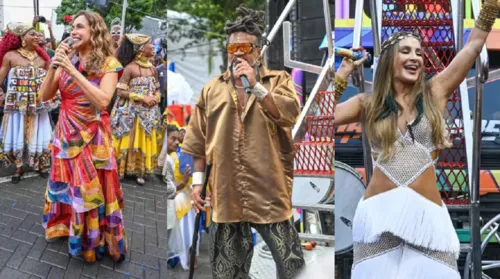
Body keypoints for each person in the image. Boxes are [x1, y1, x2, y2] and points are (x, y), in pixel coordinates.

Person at [334, 1, 499, 278]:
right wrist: (340, 75)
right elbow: (318, 122)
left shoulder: (435, 93)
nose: (415, 58)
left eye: (419, 53)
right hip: (378, 219)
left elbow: (472, 48)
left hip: (428, 220)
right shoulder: (368, 103)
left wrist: (491, 7)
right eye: (406, 51)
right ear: (389, 60)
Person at [182, 5, 305, 278]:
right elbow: (198, 144)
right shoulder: (211, 89)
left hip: (270, 191)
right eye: (232, 49)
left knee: (293, 268)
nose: (237, 54)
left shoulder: (278, 81)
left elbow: (289, 115)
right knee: (228, 272)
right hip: (226, 193)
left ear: (258, 51)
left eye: (245, 48)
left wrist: (256, 86)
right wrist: (198, 185)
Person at [40, 10, 127, 263]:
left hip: (92, 137)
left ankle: (91, 239)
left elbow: (102, 101)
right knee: (67, 185)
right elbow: (45, 97)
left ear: (94, 31)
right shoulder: (68, 59)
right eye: (73, 27)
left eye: (80, 27)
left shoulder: (109, 64)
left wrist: (71, 69)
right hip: (65, 133)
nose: (73, 32)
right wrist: (54, 67)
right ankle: (67, 226)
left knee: (87, 190)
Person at [0, 22, 53, 183]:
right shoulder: (10, 56)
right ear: (22, 37)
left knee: (40, 132)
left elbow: (50, 81)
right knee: (18, 133)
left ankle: (42, 165)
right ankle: (19, 166)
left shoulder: (43, 58)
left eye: (38, 34)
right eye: (32, 34)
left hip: (39, 106)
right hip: (17, 106)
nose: (37, 36)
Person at [111, 33, 162, 185]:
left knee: (143, 140)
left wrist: (156, 98)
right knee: (129, 139)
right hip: (130, 113)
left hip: (148, 113)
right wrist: (142, 98)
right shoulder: (130, 68)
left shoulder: (153, 69)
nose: (153, 47)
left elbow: (158, 89)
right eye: (150, 44)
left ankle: (139, 171)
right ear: (141, 48)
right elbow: (120, 91)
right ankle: (122, 170)